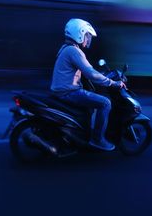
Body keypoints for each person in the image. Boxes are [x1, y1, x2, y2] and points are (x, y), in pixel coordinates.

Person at [51, 18, 126, 151]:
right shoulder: (74, 51)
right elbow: (91, 73)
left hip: (61, 90)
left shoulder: (66, 49)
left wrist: (99, 75)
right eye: (87, 35)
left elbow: (87, 71)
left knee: (90, 106)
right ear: (79, 33)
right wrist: (113, 83)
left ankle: (82, 132)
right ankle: (98, 139)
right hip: (69, 92)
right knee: (105, 103)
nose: (88, 39)